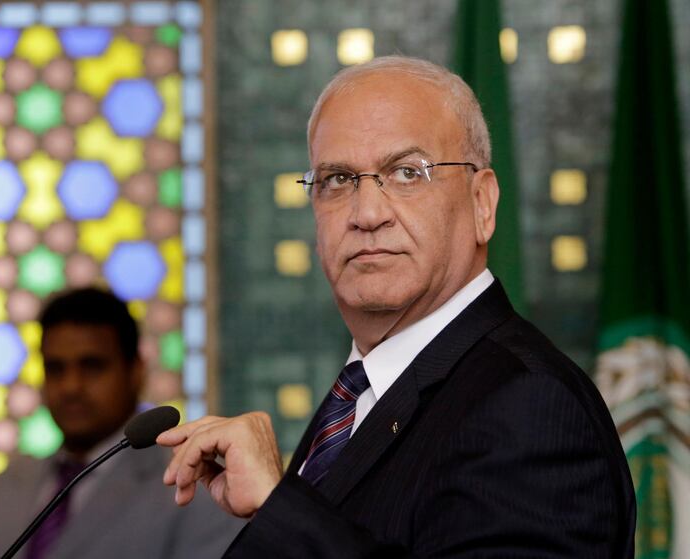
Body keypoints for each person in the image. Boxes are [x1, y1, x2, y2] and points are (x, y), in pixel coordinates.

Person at [157, 56, 636, 557]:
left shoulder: (526, 402)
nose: (367, 214)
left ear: (482, 204)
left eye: (408, 172)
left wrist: (281, 507)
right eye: (338, 180)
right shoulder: (364, 392)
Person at [0, 288, 243, 558]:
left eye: (92, 366)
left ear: (136, 371)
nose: (71, 387)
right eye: (56, 368)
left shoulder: (193, 490)